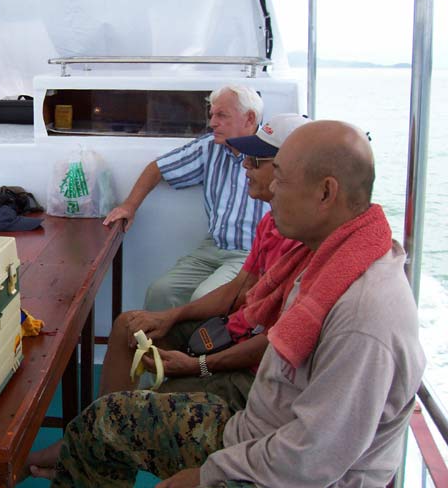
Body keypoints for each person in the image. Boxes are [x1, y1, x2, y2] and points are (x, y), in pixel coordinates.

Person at [48, 120, 425, 488]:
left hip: (273, 465)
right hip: (259, 435)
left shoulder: (362, 315)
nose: (272, 189)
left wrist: (209, 474)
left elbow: (312, 460)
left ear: (326, 193)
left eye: (281, 178)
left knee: (107, 425)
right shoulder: (329, 264)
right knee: (101, 422)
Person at [25, 113, 309, 480]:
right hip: (232, 331)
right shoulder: (272, 222)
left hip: (245, 364)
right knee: (130, 324)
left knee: (139, 403)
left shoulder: (305, 244)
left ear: (292, 172)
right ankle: (84, 445)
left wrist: (198, 366)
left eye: (257, 161)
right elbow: (237, 290)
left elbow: (274, 342)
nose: (245, 168)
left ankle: (88, 442)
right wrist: (171, 316)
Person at [104, 85, 268, 310]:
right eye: (211, 115)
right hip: (214, 246)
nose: (212, 123)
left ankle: (188, 346)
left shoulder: (271, 152)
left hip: (252, 254)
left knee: (204, 298)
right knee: (160, 292)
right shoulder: (210, 147)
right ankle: (152, 346)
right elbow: (157, 168)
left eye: (221, 115)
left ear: (249, 118)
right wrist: (130, 205)